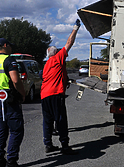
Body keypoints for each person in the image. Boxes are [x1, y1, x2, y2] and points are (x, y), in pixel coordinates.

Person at [40, 19, 80, 155]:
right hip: (56, 94)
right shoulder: (58, 58)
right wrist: (75, 28)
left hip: (44, 95)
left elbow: (56, 75)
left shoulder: (46, 65)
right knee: (61, 119)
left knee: (47, 121)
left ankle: (48, 144)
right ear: (56, 53)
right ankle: (65, 146)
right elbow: (69, 43)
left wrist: (65, 79)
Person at [0, 38, 26, 167]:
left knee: (1, 130)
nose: (11, 48)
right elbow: (15, 80)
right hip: (9, 100)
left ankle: (0, 159)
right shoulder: (8, 60)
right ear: (5, 46)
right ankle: (12, 160)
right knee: (16, 130)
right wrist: (22, 93)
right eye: (10, 46)